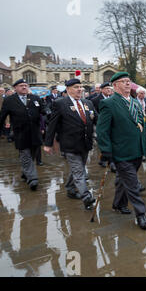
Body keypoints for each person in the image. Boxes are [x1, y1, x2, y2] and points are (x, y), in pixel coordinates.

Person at [96, 72, 146, 230]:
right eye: (124, 82)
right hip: (121, 151)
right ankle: (141, 214)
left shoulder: (135, 102)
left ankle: (118, 204)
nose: (128, 84)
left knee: (125, 180)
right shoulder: (109, 104)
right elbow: (102, 130)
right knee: (133, 183)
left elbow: (145, 120)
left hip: (137, 149)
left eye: (129, 81)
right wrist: (106, 150)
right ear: (115, 86)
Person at [44, 78, 97, 210]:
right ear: (68, 90)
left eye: (80, 87)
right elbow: (52, 125)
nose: (79, 89)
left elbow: (97, 119)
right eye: (76, 87)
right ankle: (86, 196)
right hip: (70, 144)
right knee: (79, 171)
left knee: (78, 169)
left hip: (85, 143)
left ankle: (69, 188)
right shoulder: (60, 103)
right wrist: (48, 143)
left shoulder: (88, 103)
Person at [0, 79, 48, 190]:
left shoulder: (35, 98)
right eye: (21, 85)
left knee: (32, 155)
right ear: (15, 88)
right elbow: (2, 116)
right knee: (25, 154)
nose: (24, 87)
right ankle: (33, 179)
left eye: (26, 85)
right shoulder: (9, 100)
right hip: (20, 133)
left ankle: (25, 172)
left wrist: (49, 112)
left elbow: (44, 109)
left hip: (35, 132)